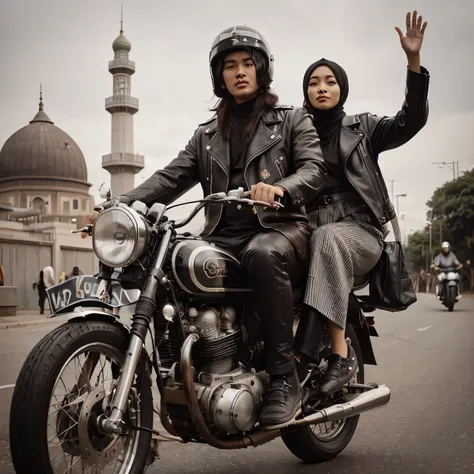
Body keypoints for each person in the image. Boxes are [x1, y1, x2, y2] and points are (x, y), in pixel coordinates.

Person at [82, 26, 327, 426]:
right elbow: (168, 178)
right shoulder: (206, 136)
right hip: (224, 237)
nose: (240, 71)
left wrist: (279, 189)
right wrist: (116, 205)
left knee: (261, 254)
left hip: (282, 230)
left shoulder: (291, 120)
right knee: (174, 263)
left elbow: (314, 170)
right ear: (220, 76)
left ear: (261, 70)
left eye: (248, 64)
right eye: (230, 66)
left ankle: (285, 378)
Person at [299, 10, 430, 396]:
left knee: (328, 238)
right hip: (306, 228)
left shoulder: (363, 128)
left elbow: (410, 121)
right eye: (313, 82)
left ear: (342, 88)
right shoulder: (293, 134)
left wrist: (413, 63)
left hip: (360, 232)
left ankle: (336, 356)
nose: (322, 88)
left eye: (330, 81)